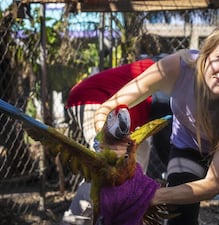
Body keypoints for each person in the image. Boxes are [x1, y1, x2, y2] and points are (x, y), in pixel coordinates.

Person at [94, 20, 219, 225]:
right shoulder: (177, 68)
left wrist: (149, 197)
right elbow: (109, 107)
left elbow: (212, 184)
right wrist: (109, 142)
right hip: (189, 142)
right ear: (205, 54)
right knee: (178, 215)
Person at [62, 58, 172, 225]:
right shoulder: (172, 73)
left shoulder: (170, 69)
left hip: (127, 117)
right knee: (105, 173)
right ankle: (74, 222)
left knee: (133, 175)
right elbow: (167, 138)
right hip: (94, 100)